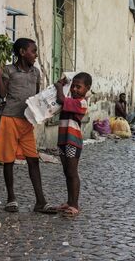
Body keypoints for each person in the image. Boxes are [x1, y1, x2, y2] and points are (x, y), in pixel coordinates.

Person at [0, 38, 56, 214]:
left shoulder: (36, 72)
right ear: (22, 52)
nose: (36, 55)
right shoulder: (9, 70)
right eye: (33, 51)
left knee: (33, 159)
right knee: (8, 160)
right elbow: (2, 93)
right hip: (9, 119)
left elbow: (36, 97)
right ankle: (11, 199)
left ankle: (40, 201)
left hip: (27, 121)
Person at [53, 72, 91, 218]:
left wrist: (58, 87)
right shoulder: (71, 99)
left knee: (72, 173)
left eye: (78, 87)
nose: (75, 89)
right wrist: (62, 83)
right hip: (63, 140)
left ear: (87, 88)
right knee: (67, 172)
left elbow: (60, 99)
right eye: (73, 86)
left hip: (73, 142)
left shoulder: (81, 103)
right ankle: (69, 202)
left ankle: (74, 205)